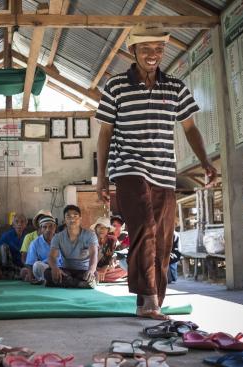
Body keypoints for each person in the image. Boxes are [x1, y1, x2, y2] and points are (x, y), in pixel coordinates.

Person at [95, 24, 217, 319]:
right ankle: (149, 298)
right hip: (128, 166)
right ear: (132, 51)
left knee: (163, 238)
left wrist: (206, 161)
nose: (153, 55)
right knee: (145, 228)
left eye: (159, 49)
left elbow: (190, 128)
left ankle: (148, 302)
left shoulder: (175, 87)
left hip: (164, 171)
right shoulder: (115, 87)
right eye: (146, 49)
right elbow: (105, 133)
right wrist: (102, 176)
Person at [45, 205, 99, 288]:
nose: (72, 219)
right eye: (68, 216)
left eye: (75, 216)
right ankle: (79, 284)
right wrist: (55, 268)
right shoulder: (57, 237)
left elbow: (94, 254)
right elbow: (52, 256)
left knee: (91, 275)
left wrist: (91, 270)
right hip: (66, 271)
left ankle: (69, 282)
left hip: (84, 270)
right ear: (64, 220)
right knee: (47, 272)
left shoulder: (90, 235)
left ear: (80, 218)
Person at [24, 215, 61, 282]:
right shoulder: (35, 243)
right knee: (37, 265)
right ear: (41, 229)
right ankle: (53, 280)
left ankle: (53, 280)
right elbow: (30, 264)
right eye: (45, 227)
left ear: (55, 227)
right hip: (46, 269)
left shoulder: (61, 240)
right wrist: (30, 278)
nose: (48, 230)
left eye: (50, 226)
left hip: (62, 268)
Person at [91, 217, 127, 283]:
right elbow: (86, 262)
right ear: (96, 229)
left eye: (105, 227)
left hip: (106, 269)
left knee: (125, 269)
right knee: (88, 272)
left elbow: (114, 257)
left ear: (108, 230)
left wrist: (105, 268)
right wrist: (96, 270)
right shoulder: (90, 240)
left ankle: (99, 277)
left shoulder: (112, 240)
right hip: (92, 268)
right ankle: (98, 276)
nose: (102, 229)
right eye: (99, 227)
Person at [0, 213, 27, 279]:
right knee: (3, 247)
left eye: (22, 222)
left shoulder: (27, 237)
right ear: (13, 224)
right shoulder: (7, 235)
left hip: (21, 266)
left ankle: (18, 274)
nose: (19, 224)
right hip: (8, 266)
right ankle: (5, 273)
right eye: (17, 222)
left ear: (25, 225)